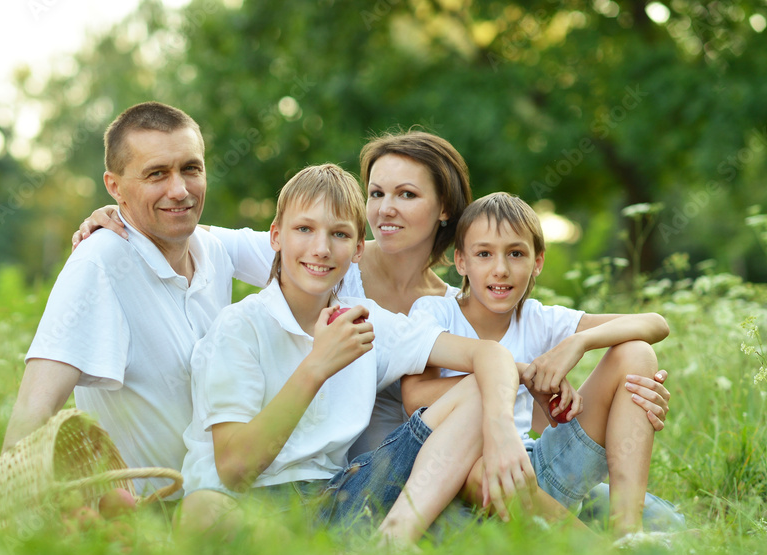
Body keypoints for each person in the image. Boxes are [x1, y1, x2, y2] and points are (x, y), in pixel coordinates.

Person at [73, 130, 677, 517]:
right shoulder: (329, 275)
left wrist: (561, 367)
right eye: (377, 192)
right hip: (389, 475)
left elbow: (631, 329)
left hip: (435, 469)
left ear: (443, 211)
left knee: (659, 520)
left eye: (406, 194)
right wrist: (120, 214)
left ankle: (608, 527)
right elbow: (200, 235)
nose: (386, 208)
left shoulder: (449, 300)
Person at [179, 163, 565, 544]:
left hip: (339, 494)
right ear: (276, 236)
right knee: (203, 512)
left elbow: (490, 355)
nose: (321, 248)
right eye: (304, 229)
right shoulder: (239, 327)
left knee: (478, 387)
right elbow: (234, 468)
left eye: (340, 234)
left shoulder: (368, 321)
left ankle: (390, 545)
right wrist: (317, 366)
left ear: (359, 249)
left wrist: (502, 432)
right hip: (248, 502)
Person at [402, 191, 679, 537]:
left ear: (537, 262)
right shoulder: (435, 312)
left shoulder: (539, 318)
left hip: (536, 464)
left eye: (516, 253)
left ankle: (628, 530)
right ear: (461, 261)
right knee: (480, 470)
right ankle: (596, 550)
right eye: (484, 253)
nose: (500, 269)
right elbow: (415, 397)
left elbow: (655, 323)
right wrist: (520, 377)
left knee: (635, 352)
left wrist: (578, 343)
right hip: (464, 482)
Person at [2, 101, 235, 497]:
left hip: (223, 505)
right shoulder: (100, 262)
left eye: (190, 169)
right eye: (156, 174)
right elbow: (33, 413)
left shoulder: (214, 251)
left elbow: (329, 250)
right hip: (143, 525)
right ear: (114, 187)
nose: (179, 190)